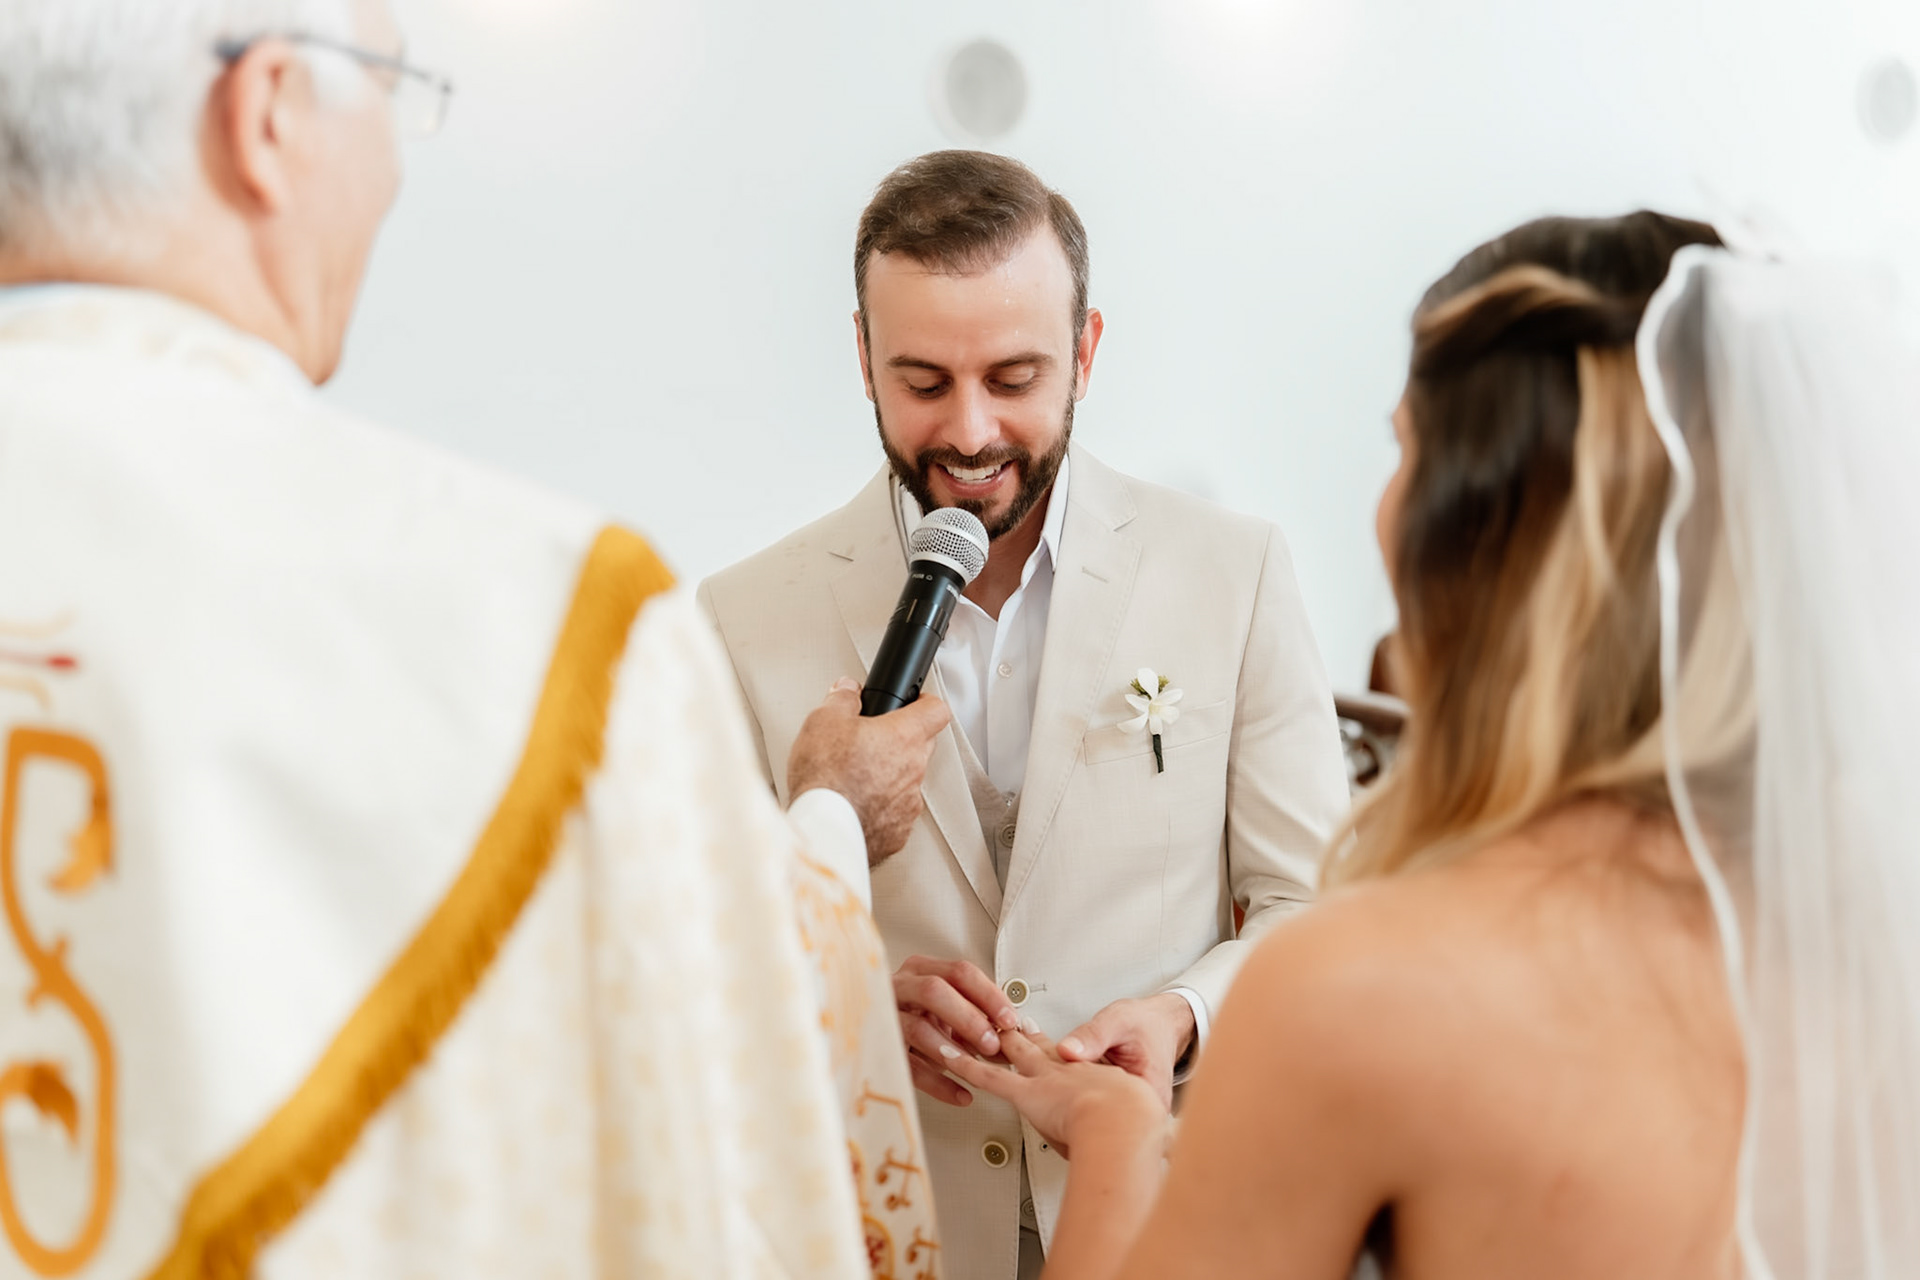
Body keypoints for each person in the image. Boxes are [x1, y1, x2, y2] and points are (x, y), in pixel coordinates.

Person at [0, 2, 948, 1276]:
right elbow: (722, 1118)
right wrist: (825, 815)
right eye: (393, 93)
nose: (393, 167)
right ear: (267, 114)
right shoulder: (553, 620)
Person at [939, 210, 1845, 1278]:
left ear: (1468, 539)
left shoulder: (1360, 992)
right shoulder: (1858, 954)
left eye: (1401, 443)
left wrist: (1114, 1138)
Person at [698, 150, 1350, 1278]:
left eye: (1013, 377)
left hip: (1170, 1216)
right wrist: (845, 990)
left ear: (1086, 351)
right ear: (860, 356)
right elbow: (701, 954)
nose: (971, 434)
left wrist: (1183, 1012)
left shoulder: (1230, 572)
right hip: (884, 1226)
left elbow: (1320, 905)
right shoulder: (739, 616)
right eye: (922, 380)